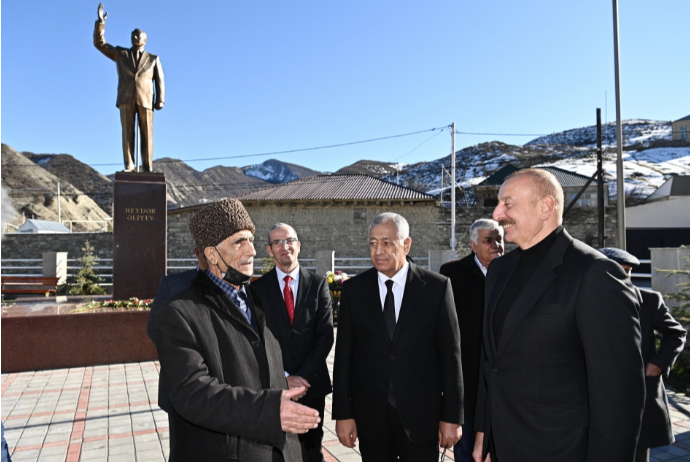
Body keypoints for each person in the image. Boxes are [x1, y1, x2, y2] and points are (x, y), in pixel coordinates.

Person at [473, 168, 645, 462]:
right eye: (499, 203)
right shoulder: (499, 271)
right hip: (502, 446)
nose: (498, 214)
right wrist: (483, 434)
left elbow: (619, 398)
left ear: (546, 207)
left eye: (508, 203)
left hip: (562, 450)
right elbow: (491, 362)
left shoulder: (595, 273)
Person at [155, 198, 319, 461]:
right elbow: (193, 393)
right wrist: (269, 411)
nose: (252, 251)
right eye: (238, 242)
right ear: (211, 255)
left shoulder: (259, 298)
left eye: (251, 240)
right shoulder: (178, 314)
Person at [333, 212, 463, 461]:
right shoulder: (354, 290)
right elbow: (344, 358)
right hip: (371, 419)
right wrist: (343, 414)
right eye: (373, 243)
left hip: (421, 419)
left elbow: (451, 358)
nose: (378, 250)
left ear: (406, 244)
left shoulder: (436, 288)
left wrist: (452, 417)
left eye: (387, 242)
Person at [253, 223, 334, 462]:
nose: (284, 246)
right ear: (269, 250)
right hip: (275, 386)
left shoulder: (318, 284)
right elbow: (258, 338)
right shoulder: (257, 289)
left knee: (311, 452)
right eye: (277, 242)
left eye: (289, 240)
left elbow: (325, 336)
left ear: (298, 245)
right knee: (278, 453)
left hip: (312, 386)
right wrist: (284, 377)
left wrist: (302, 379)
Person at [599, 247, 687, 462]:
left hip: (639, 393)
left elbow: (676, 333)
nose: (624, 276)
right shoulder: (584, 300)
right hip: (599, 394)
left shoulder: (648, 301)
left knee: (638, 449)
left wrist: (659, 363)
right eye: (616, 270)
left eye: (627, 271)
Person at [439, 219, 504, 462]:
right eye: (489, 240)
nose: (496, 245)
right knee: (466, 452)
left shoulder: (514, 270)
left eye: (499, 239)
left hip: (503, 384)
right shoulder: (452, 274)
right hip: (467, 381)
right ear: (474, 245)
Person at [146, 248, 207, 462]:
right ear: (198, 252)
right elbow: (155, 329)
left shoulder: (236, 285)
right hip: (183, 388)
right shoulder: (173, 285)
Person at [93, 3, 165, 172]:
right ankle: (130, 165)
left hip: (146, 99)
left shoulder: (153, 59)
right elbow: (100, 44)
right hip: (125, 97)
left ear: (145, 40)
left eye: (138, 36)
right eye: (133, 35)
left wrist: (160, 99)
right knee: (127, 133)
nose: (135, 38)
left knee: (147, 134)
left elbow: (159, 78)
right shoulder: (121, 54)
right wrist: (100, 23)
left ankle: (147, 167)